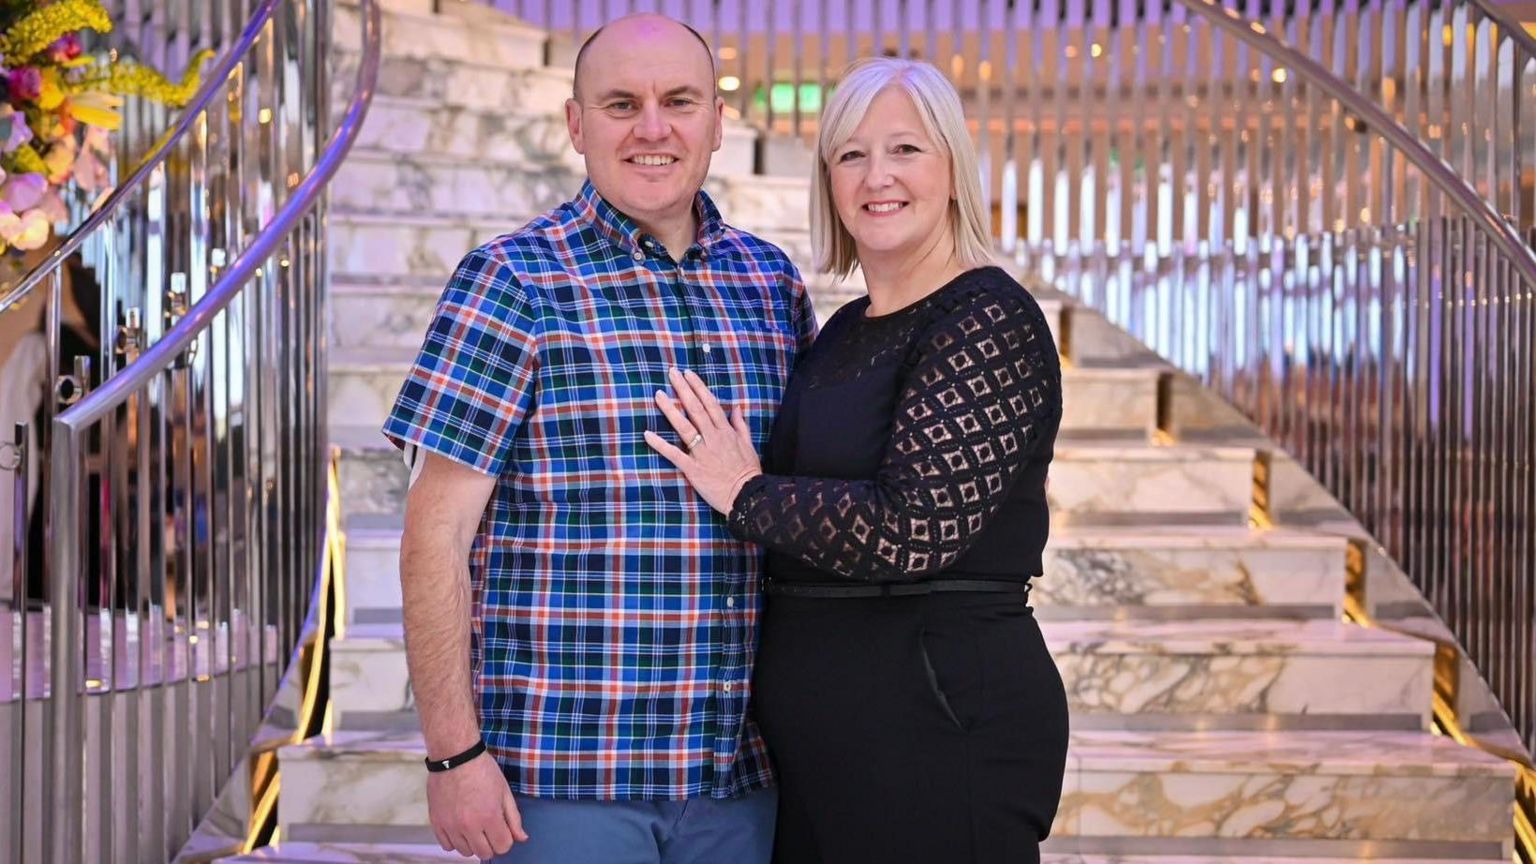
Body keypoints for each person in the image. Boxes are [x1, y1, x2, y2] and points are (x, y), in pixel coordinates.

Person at [382, 14, 816, 864]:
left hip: (743, 778)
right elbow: (435, 536)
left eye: (679, 101)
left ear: (718, 123)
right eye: (621, 104)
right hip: (563, 782)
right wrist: (451, 753)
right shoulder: (512, 281)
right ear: (577, 126)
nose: (652, 128)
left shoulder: (771, 285)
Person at [645, 57, 1069, 864]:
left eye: (905, 149)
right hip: (821, 746)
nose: (878, 176)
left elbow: (914, 530)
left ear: (952, 169)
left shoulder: (987, 317)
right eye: (851, 154)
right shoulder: (841, 330)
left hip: (940, 723)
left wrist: (745, 492)